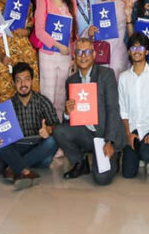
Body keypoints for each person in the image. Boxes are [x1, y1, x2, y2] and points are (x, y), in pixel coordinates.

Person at [55, 37, 128, 185]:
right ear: (74, 55)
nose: (83, 56)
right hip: (87, 134)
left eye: (87, 52)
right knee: (59, 131)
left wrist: (109, 141)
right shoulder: (71, 81)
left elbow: (113, 109)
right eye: (79, 52)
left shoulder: (106, 74)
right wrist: (67, 113)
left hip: (105, 134)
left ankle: (115, 156)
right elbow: (71, 120)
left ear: (94, 54)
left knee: (102, 179)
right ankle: (81, 163)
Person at [0, 63, 59, 190]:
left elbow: (57, 126)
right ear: (14, 83)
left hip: (39, 148)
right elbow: (1, 136)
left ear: (32, 81)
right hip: (18, 147)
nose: (23, 84)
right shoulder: (7, 106)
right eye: (18, 80)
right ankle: (25, 171)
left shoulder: (43, 101)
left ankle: (14, 167)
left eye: (26, 79)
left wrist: (49, 129)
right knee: (2, 145)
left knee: (54, 140)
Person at [118, 32, 149, 178]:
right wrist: (128, 134)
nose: (137, 51)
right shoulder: (123, 78)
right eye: (133, 48)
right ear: (129, 52)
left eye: (140, 48)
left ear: (147, 51)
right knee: (128, 173)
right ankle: (140, 153)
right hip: (133, 129)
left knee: (147, 154)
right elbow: (123, 111)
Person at [35, 0, 73, 114]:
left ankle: (58, 126)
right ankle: (46, 126)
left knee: (62, 95)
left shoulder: (71, 3)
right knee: (48, 94)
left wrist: (73, 55)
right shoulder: (42, 1)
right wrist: (58, 45)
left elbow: (73, 32)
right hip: (48, 54)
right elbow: (39, 31)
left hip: (66, 54)